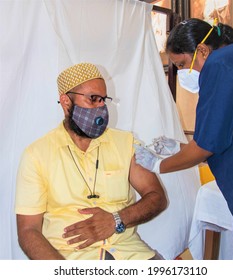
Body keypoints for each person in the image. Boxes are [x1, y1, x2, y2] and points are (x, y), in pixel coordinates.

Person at [135, 18, 233, 260]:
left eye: (181, 64)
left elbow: (205, 146)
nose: (182, 73)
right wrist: (179, 148)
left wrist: (157, 165)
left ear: (202, 50)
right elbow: (227, 134)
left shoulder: (221, 65)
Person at [15, 62, 167, 260]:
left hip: (131, 253)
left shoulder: (126, 143)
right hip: (70, 258)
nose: (101, 107)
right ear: (65, 101)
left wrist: (116, 220)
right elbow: (28, 231)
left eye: (103, 100)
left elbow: (156, 196)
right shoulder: (36, 154)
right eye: (93, 99)